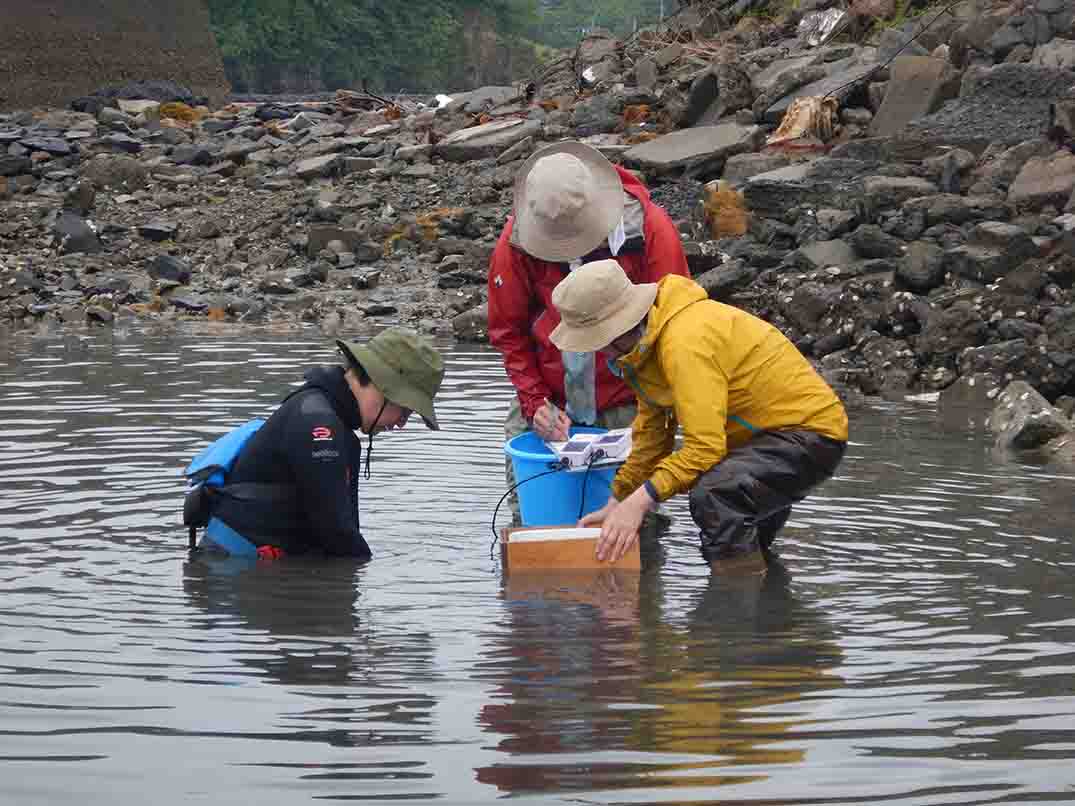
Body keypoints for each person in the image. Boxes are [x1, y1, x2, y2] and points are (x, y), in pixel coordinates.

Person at [548, 259, 848, 573]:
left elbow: (705, 448)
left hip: (809, 435)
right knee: (744, 537)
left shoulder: (684, 342)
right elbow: (651, 438)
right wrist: (618, 501)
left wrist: (640, 502)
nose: (594, 352)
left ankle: (725, 611)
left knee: (714, 495)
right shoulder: (644, 348)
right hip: (760, 443)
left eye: (593, 343)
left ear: (614, 333)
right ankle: (763, 606)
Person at [487, 140, 690, 525]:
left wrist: (652, 408)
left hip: (630, 397)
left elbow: (675, 325)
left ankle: (643, 578)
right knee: (533, 523)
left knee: (637, 524)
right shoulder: (516, 243)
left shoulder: (650, 231)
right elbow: (508, 331)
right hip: (549, 393)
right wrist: (535, 403)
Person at [186, 327, 445, 560]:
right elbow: (337, 533)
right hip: (232, 577)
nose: (401, 423)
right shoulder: (320, 425)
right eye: (406, 410)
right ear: (384, 387)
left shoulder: (324, 413)